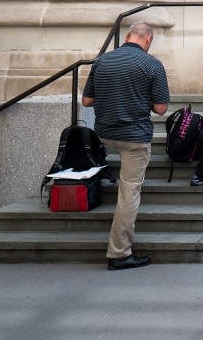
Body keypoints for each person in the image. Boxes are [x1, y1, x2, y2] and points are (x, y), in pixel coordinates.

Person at [82, 22, 170, 270]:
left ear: (128, 36)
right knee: (129, 192)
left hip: (105, 133)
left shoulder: (102, 61)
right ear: (148, 39)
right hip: (134, 137)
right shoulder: (152, 64)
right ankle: (119, 253)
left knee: (125, 188)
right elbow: (161, 109)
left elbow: (87, 100)